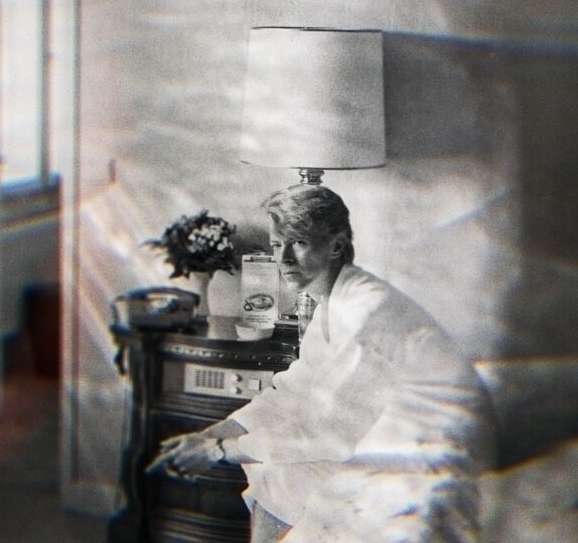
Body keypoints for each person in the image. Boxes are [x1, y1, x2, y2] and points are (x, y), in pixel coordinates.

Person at [147, 185, 494, 542]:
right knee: (277, 472)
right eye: (277, 244)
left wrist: (218, 451)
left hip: (432, 443)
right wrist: (214, 434)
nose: (284, 259)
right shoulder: (331, 300)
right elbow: (291, 391)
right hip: (383, 430)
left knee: (297, 478)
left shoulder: (364, 310)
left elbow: (327, 433)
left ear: (337, 246)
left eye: (298, 243)